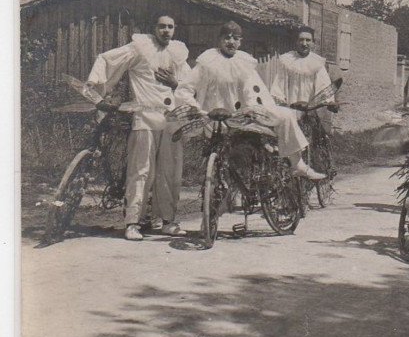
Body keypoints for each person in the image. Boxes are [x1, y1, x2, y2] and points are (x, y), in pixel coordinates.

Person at [86, 13, 191, 241]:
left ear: (174, 30)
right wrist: (94, 86)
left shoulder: (177, 53)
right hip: (144, 115)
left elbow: (190, 85)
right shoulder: (140, 48)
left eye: (170, 27)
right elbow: (106, 58)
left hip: (171, 118)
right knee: (141, 170)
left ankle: (167, 221)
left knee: (170, 172)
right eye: (161, 26)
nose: (166, 31)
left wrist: (176, 83)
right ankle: (133, 222)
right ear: (154, 28)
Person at [175, 22, 325, 180]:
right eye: (227, 38)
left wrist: (255, 110)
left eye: (235, 38)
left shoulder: (244, 62)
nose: (231, 42)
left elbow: (254, 92)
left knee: (286, 115)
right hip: (217, 119)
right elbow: (185, 89)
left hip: (242, 116)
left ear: (240, 42)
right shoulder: (208, 62)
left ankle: (298, 163)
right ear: (219, 40)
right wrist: (193, 107)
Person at [270, 26, 338, 112]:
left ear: (313, 43)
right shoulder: (287, 61)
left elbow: (324, 88)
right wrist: (283, 105)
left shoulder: (317, 63)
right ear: (296, 42)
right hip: (289, 110)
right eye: (301, 40)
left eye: (308, 40)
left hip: (310, 111)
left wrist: (330, 103)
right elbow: (278, 88)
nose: (304, 44)